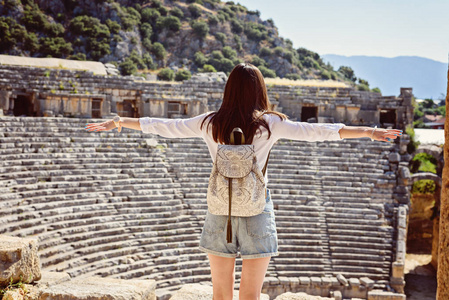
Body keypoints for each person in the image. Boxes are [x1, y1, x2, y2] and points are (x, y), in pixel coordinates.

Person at [85, 63, 402, 300]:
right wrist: (371, 132)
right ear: (259, 90)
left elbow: (164, 126)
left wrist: (118, 122)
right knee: (250, 296)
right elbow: (319, 133)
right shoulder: (270, 123)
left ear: (229, 90)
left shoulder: (209, 122)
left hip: (219, 211)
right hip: (256, 212)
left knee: (220, 295)